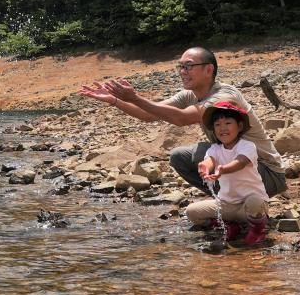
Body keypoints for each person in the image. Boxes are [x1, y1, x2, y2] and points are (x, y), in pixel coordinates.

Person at [78, 46, 287, 199]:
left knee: (203, 155)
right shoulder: (189, 94)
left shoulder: (224, 95)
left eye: (189, 66)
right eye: (181, 66)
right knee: (180, 156)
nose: (183, 71)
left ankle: (243, 203)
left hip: (267, 173)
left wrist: (134, 97)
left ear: (209, 70)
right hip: (236, 164)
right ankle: (226, 201)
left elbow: (181, 119)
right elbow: (148, 114)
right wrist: (115, 100)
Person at [187, 99, 270, 246]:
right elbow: (210, 160)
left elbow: (240, 162)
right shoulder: (215, 149)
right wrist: (204, 167)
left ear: (239, 126)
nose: (222, 128)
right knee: (192, 211)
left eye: (227, 123)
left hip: (248, 206)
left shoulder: (247, 146)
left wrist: (222, 169)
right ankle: (229, 226)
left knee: (255, 202)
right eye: (217, 125)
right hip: (226, 205)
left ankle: (257, 230)